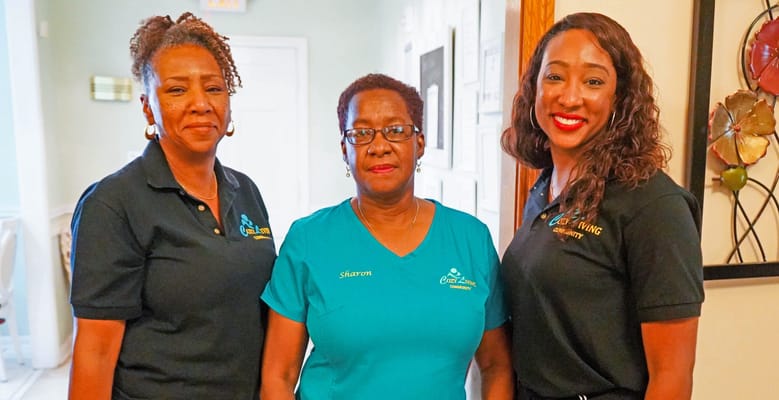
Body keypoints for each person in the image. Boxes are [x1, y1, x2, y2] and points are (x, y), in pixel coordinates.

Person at [260, 73, 513, 400]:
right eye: (361, 133)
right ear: (344, 149)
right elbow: (278, 376)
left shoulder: (470, 240)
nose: (379, 146)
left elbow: (496, 366)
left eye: (396, 130)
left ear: (419, 143)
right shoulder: (308, 239)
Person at [68, 13, 276, 400]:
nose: (200, 104)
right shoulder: (113, 204)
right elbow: (94, 354)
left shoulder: (245, 190)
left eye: (213, 88)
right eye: (177, 91)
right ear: (148, 109)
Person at [500, 12, 704, 400]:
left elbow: (672, 377)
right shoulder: (544, 189)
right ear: (534, 88)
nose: (569, 96)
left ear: (620, 98)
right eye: (555, 76)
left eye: (593, 81)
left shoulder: (654, 206)